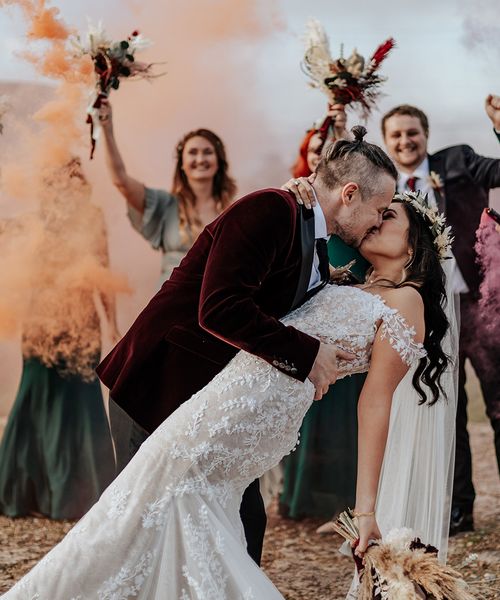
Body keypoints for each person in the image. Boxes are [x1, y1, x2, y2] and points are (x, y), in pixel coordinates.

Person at [1, 184, 453, 599]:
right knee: (165, 500)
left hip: (255, 411)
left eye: (387, 216)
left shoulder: (407, 301)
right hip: (227, 396)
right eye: (377, 211)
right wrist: (303, 197)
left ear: (415, 245)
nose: (375, 220)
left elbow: (375, 402)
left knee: (172, 495)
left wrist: (367, 510)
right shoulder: (353, 281)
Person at [380, 94, 500, 535]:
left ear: (426, 135)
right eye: (397, 134)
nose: (406, 140)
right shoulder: (381, 186)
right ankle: (460, 510)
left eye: (413, 132)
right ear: (386, 142)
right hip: (428, 316)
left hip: (481, 308)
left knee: (499, 406)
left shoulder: (458, 163)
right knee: (447, 409)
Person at [0, 158, 117, 520]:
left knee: (81, 400)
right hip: (40, 324)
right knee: (37, 396)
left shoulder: (92, 218)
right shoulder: (30, 222)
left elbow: (103, 270)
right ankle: (24, 492)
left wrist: (112, 323)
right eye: (55, 179)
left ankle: (79, 496)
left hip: (82, 322)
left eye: (71, 177)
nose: (63, 185)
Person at [280, 107, 370, 523]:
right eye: (315, 147)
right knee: (308, 401)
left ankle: (345, 496)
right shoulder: (293, 195)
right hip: (308, 306)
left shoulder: (357, 207)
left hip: (353, 290)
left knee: (344, 403)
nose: (320, 152)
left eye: (327, 147)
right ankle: (301, 496)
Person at [97, 98, 237, 285]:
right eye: (193, 152)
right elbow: (120, 180)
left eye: (208, 152)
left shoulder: (232, 212)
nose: (200, 158)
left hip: (212, 305)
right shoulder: (165, 205)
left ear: (219, 161)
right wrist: (107, 130)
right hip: (173, 305)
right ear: (182, 165)